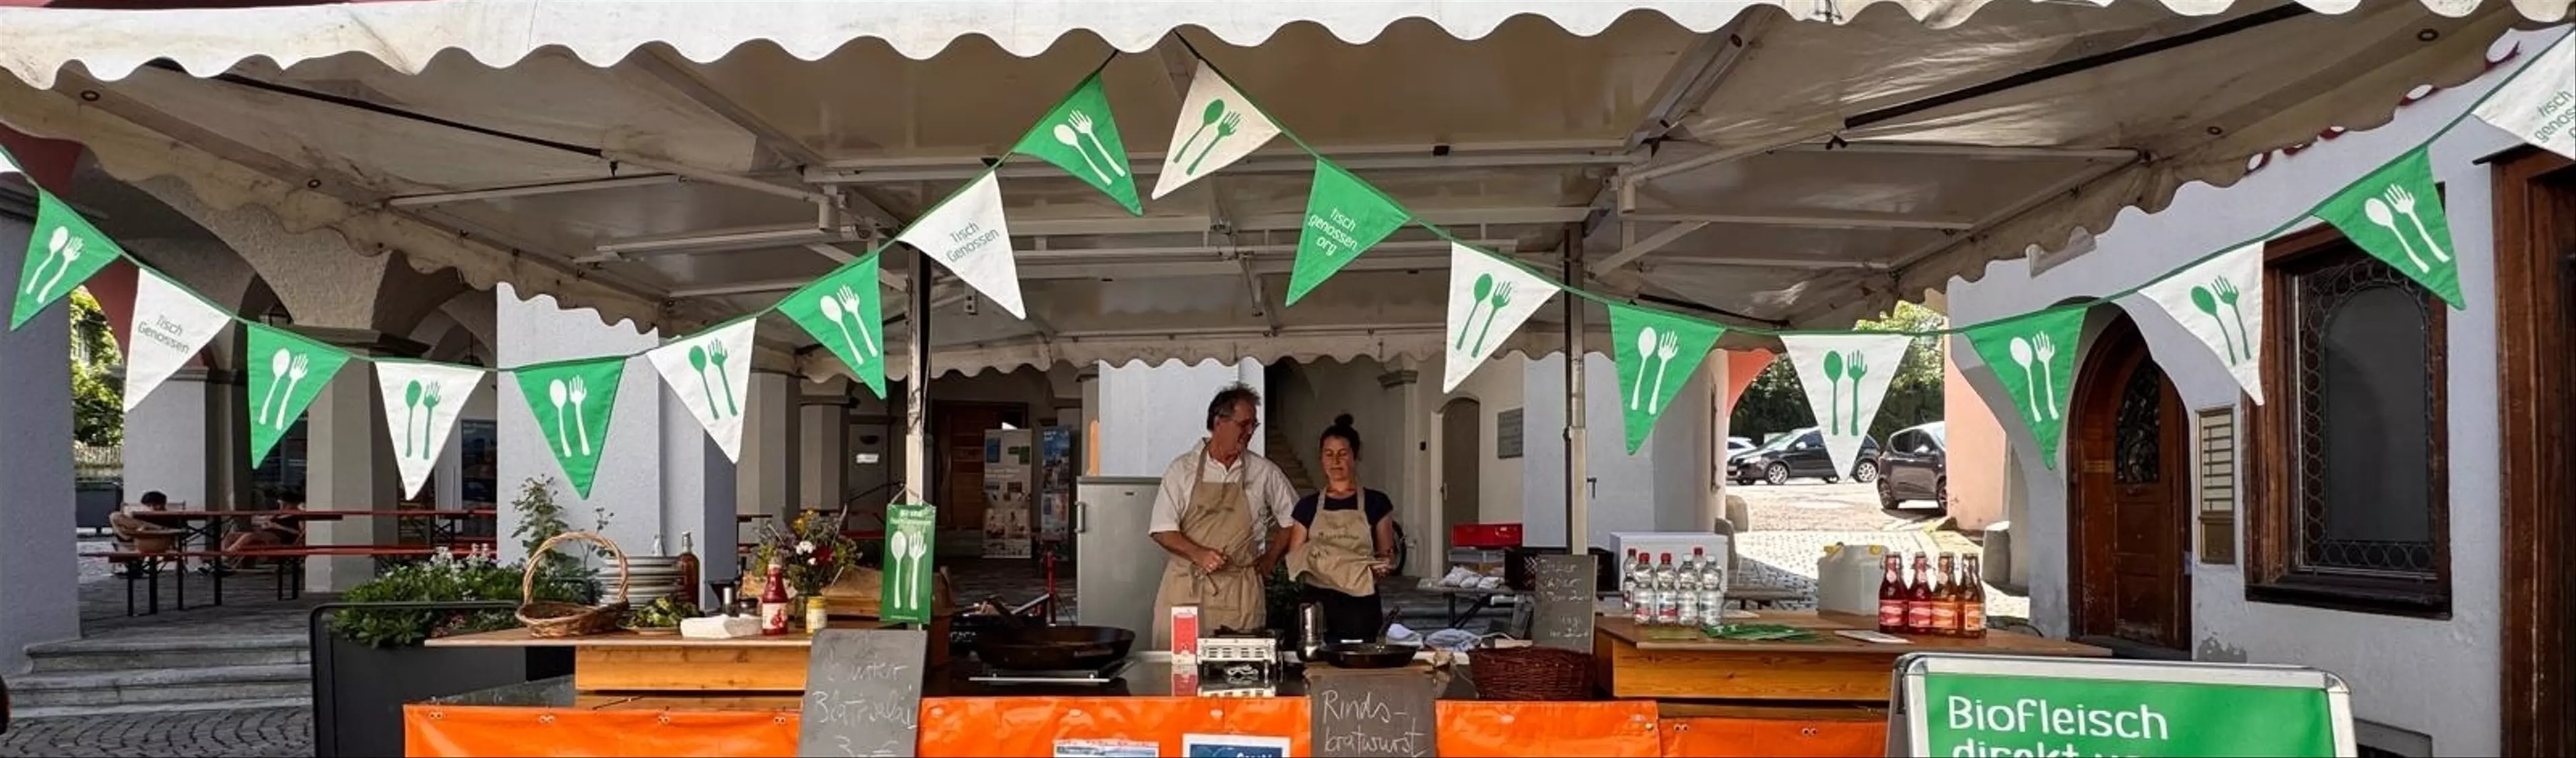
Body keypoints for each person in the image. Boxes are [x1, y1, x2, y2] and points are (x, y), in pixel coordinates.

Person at [1146, 384, 1299, 649]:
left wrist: (1271, 558)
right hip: (1187, 591)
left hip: (1239, 594)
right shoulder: (1183, 469)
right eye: (1244, 424)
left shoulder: (1263, 472)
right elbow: (1162, 529)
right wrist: (1198, 554)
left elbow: (1294, 520)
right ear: (1219, 422)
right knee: (1178, 674)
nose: (1250, 432)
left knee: (1239, 674)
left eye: (1254, 425)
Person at [1285, 414, 1399, 644]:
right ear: (1321, 459)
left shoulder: (1376, 503)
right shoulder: (1306, 507)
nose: (1335, 461)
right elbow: (1295, 556)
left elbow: (1388, 554)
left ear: (1355, 456)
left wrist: (1384, 566)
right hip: (1318, 604)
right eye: (1329, 454)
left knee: (1359, 668)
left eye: (1343, 453)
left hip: (1360, 604)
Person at [219, 490, 307, 571]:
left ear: (293, 504)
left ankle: (223, 558)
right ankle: (225, 561)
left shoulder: (298, 516)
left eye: (285, 504)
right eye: (280, 504)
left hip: (281, 537)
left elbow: (300, 533)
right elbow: (260, 520)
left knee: (249, 536)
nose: (282, 507)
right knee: (231, 536)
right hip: (266, 534)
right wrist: (264, 524)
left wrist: (278, 526)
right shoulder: (278, 514)